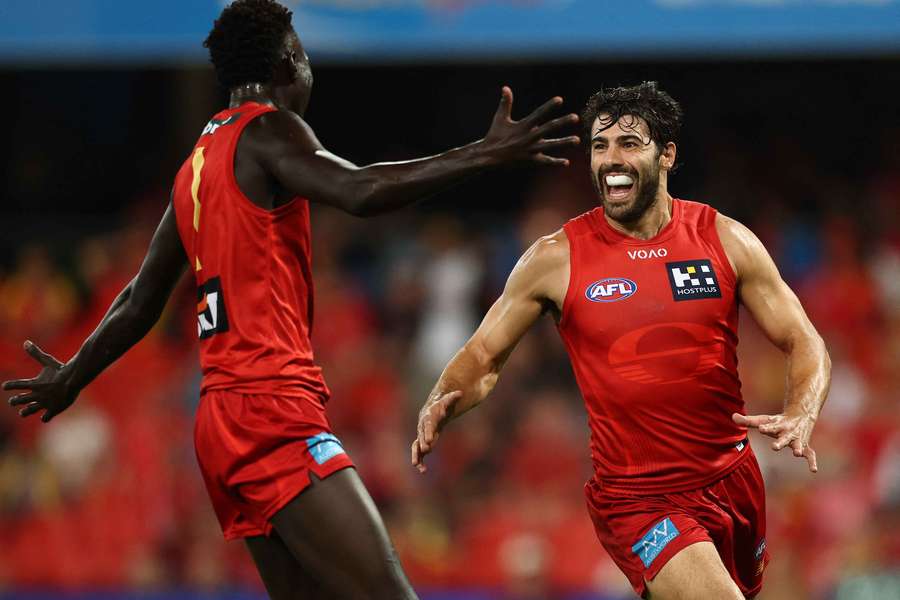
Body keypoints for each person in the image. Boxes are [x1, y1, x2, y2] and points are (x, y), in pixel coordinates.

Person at [1, 1, 580, 597]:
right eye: (304, 55)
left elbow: (139, 300)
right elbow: (358, 190)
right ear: (289, 61)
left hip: (218, 420)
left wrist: (73, 376)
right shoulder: (268, 129)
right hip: (270, 406)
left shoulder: (196, 167)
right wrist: (482, 154)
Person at [412, 81, 831, 599]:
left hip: (734, 483)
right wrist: (442, 397)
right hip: (637, 499)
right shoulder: (555, 258)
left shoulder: (724, 239)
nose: (611, 158)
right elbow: (482, 354)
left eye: (629, 144)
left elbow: (804, 339)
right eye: (599, 145)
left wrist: (801, 410)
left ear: (667, 155)